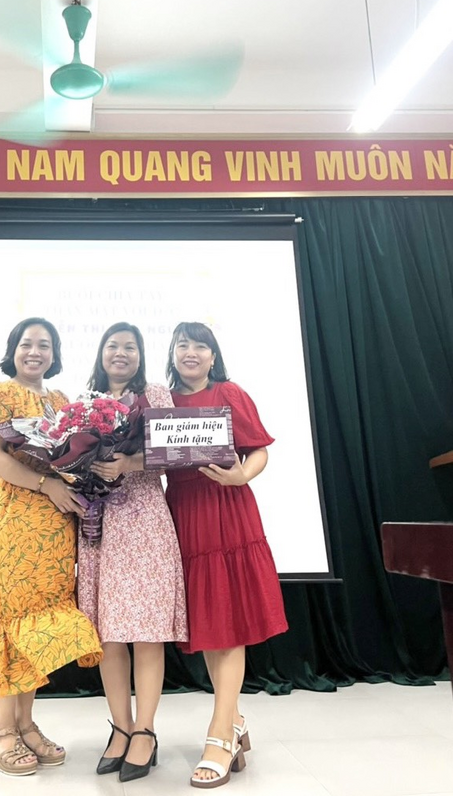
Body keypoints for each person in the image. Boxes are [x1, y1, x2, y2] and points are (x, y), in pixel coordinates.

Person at [0, 317, 102, 777]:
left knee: (42, 615)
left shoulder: (62, 401)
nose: (35, 351)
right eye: (27, 343)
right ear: (13, 349)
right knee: (16, 617)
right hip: (16, 516)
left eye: (44, 345)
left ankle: (26, 724)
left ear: (54, 353)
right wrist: (47, 485)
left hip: (57, 522)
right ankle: (0, 729)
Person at [164, 322, 288, 789]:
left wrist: (241, 477)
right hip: (184, 511)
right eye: (183, 345)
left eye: (200, 346)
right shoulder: (162, 401)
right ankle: (233, 720)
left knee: (228, 622)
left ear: (213, 356)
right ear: (172, 353)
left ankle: (220, 735)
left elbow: (257, 452)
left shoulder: (229, 392)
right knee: (211, 624)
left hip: (228, 508)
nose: (191, 352)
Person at [77, 321, 187, 783]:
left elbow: (176, 451)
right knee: (109, 635)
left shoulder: (156, 395)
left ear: (141, 356)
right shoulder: (82, 405)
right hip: (99, 527)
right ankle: (119, 728)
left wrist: (129, 462)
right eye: (113, 346)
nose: (121, 353)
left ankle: (145, 730)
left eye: (130, 347)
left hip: (144, 519)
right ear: (101, 354)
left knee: (145, 631)